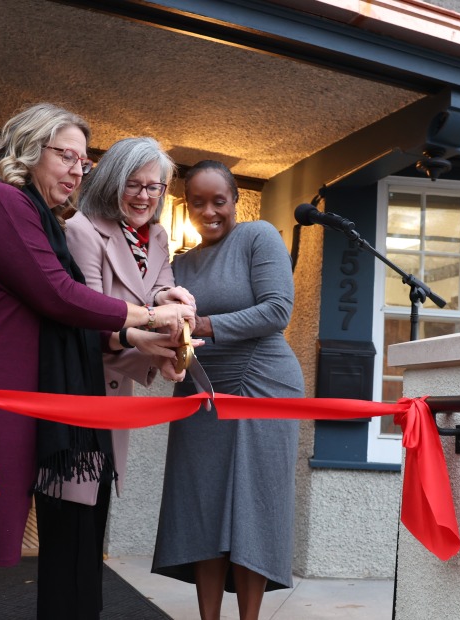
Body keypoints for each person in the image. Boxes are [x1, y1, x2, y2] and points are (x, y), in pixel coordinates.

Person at [0, 102, 194, 620]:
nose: (77, 171)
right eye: (67, 156)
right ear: (28, 147)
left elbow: (52, 309)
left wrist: (135, 333)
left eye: (83, 162)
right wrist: (149, 317)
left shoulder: (29, 211)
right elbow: (58, 294)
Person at [36, 135, 196, 618]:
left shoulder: (160, 237)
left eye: (156, 187)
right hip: (76, 389)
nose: (146, 196)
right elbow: (88, 316)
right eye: (135, 184)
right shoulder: (84, 229)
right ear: (112, 181)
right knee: (67, 530)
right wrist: (149, 325)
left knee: (94, 524)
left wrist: (178, 307)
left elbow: (161, 291)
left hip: (114, 397)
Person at [151, 160, 304, 620]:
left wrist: (204, 324)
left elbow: (278, 309)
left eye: (219, 200)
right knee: (202, 502)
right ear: (186, 205)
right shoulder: (180, 264)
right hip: (201, 390)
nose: (209, 211)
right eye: (198, 202)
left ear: (236, 199)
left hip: (263, 383)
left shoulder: (259, 237)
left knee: (253, 505)